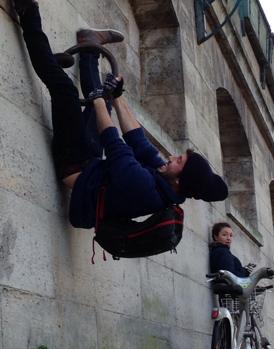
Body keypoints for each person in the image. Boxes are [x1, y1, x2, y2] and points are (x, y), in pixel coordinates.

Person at [12, 0, 228, 234]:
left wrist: (97, 96)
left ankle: (27, 13)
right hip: (91, 161)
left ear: (181, 181)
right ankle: (89, 47)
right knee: (103, 103)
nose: (173, 157)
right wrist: (117, 96)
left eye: (179, 161)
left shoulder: (145, 189)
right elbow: (139, 142)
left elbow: (113, 141)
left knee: (66, 91)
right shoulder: (165, 178)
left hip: (73, 166)